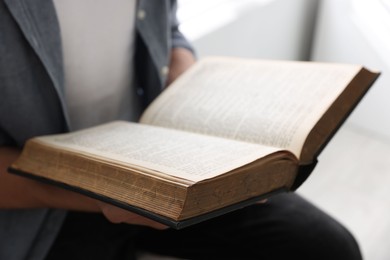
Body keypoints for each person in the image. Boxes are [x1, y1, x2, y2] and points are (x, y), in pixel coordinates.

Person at [0, 0, 362, 259]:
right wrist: (101, 194)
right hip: (37, 204)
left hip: (159, 160)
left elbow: (169, 30)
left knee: (329, 247)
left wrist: (186, 78)